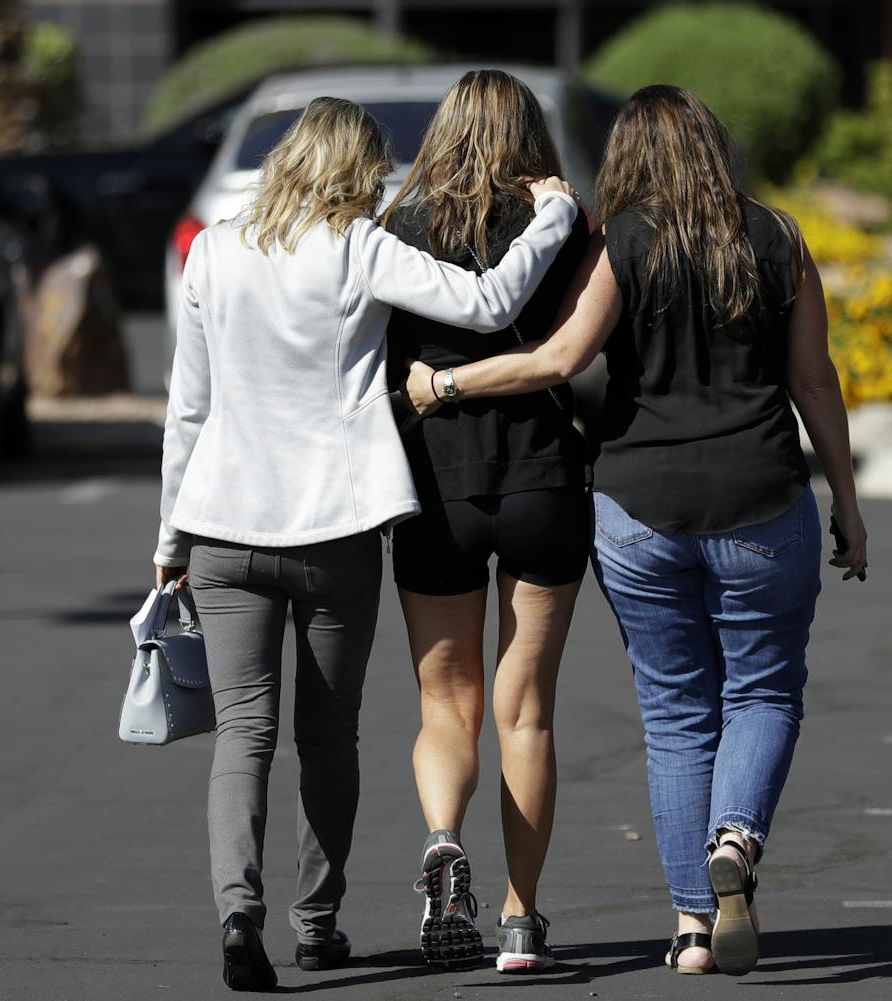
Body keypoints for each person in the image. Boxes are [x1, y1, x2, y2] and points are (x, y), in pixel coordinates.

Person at [406, 84, 869, 977]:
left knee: (675, 714)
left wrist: (447, 386)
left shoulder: (622, 242)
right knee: (764, 692)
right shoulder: (777, 238)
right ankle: (736, 835)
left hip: (636, 510)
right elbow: (817, 384)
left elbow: (558, 360)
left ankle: (694, 926)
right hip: (765, 501)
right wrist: (846, 504)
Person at [151, 96, 579, 992]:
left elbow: (187, 406)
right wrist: (553, 218)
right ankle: (317, 921)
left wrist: (170, 536)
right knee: (329, 732)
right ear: (356, 168)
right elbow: (491, 299)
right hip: (334, 526)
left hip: (223, 523)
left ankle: (240, 912)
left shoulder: (214, 252)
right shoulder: (358, 246)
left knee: (243, 732)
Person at [380, 69, 592, 974]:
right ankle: (519, 918)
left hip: (439, 485)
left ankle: (441, 839)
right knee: (527, 711)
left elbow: (381, 367)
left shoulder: (401, 228)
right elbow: (584, 353)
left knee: (446, 702)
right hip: (543, 478)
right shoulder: (564, 220)